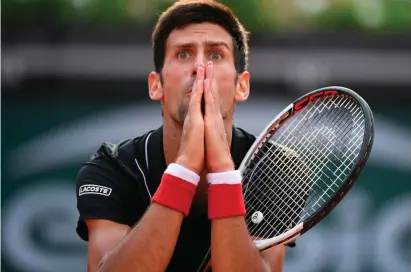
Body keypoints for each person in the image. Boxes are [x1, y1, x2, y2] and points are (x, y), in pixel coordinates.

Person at [75, 0, 295, 271]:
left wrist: (223, 173)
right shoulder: (112, 166)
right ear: (157, 85)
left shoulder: (276, 166)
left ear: (242, 86)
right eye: (183, 54)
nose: (200, 67)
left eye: (216, 55)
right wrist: (186, 168)